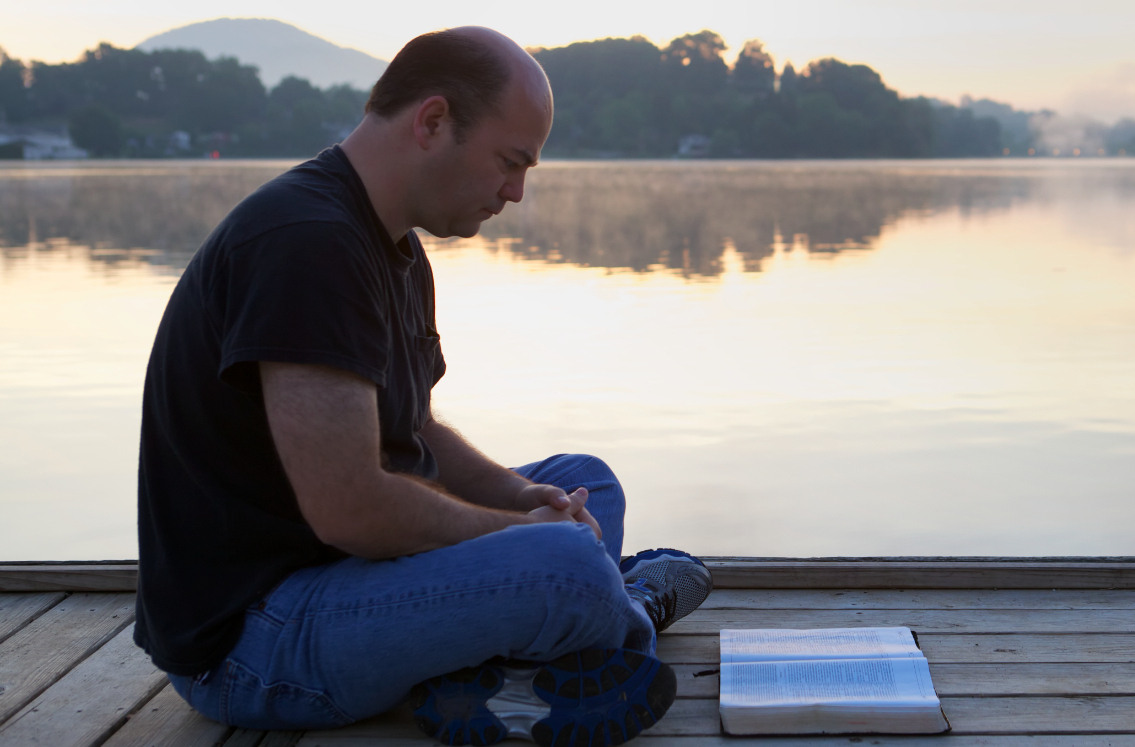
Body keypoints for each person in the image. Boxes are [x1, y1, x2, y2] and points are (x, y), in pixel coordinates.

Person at [134, 26, 712, 746]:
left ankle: (530, 645)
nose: (516, 192)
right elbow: (351, 508)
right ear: (433, 121)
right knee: (565, 563)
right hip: (256, 639)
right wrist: (521, 534)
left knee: (585, 481)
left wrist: (519, 497)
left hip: (342, 575)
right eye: (510, 162)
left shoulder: (393, 243)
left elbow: (417, 431)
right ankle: (627, 614)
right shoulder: (305, 243)